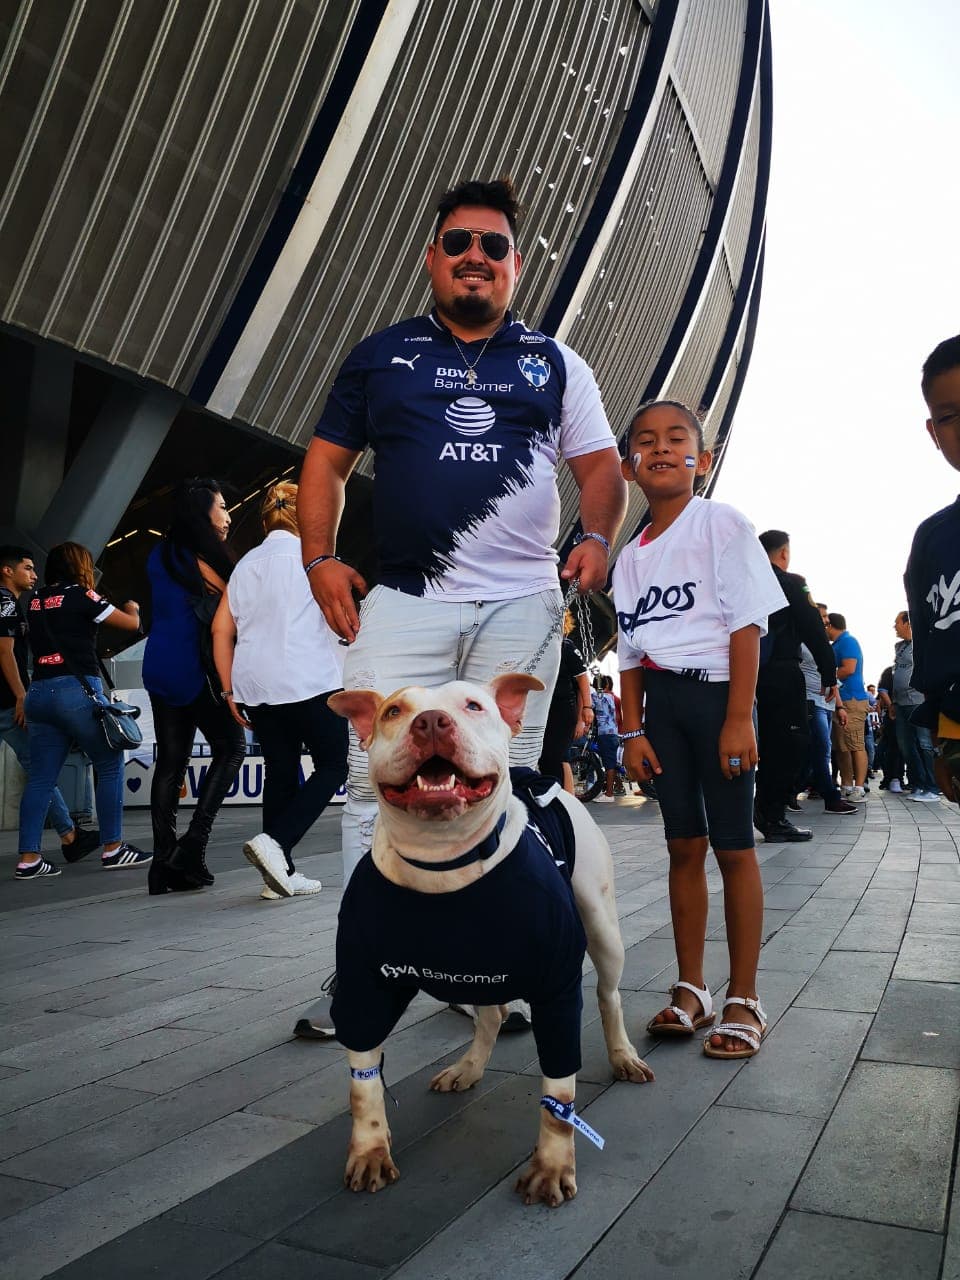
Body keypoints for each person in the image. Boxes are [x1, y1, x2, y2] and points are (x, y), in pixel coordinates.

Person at [294, 176, 626, 1038]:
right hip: (403, 603)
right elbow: (324, 463)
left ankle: (490, 970)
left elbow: (598, 467)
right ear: (431, 257)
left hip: (521, 604)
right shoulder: (380, 355)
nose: (476, 257)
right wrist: (320, 557)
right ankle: (360, 975)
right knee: (379, 785)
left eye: (495, 246)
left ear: (515, 266)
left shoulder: (555, 362)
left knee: (504, 781)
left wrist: (597, 537)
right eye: (459, 243)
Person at [612, 400, 786, 1059]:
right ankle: (693, 988)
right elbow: (628, 655)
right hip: (665, 712)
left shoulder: (722, 524)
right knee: (683, 847)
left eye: (676, 439)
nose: (659, 448)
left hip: (720, 703)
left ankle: (745, 996)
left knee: (735, 848)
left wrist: (740, 718)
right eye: (645, 442)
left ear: (703, 460)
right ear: (629, 467)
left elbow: (747, 626)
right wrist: (632, 733)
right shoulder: (630, 559)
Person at [211, 482, 348, 898]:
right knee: (333, 765)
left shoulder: (245, 565)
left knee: (281, 773)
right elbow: (341, 621)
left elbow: (221, 630)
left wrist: (229, 689)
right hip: (311, 679)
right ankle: (276, 844)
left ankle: (279, 876)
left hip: (257, 685)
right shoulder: (315, 561)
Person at [16, 542, 149, 879]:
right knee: (108, 764)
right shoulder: (81, 595)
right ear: (80, 565)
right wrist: (133, 607)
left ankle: (29, 858)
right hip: (76, 690)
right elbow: (128, 624)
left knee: (42, 779)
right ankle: (113, 848)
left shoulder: (32, 599)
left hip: (38, 691)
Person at [142, 478, 246, 893]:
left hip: (159, 662)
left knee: (170, 763)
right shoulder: (205, 558)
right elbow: (237, 606)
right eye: (222, 506)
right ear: (204, 513)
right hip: (194, 666)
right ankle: (193, 844)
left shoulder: (158, 553)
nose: (227, 515)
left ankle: (163, 862)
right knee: (232, 747)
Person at [1, 546, 101, 864]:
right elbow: (4, 652)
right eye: (27, 568)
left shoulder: (20, 605)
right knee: (40, 770)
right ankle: (64, 838)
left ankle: (68, 834)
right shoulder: (5, 602)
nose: (33, 575)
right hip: (6, 700)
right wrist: (20, 695)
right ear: (7, 570)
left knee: (38, 769)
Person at [753, 530, 840, 839]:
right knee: (789, 744)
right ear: (784, 554)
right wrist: (829, 672)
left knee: (756, 745)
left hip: (744, 675)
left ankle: (756, 809)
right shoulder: (791, 582)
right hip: (781, 674)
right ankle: (772, 815)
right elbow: (812, 626)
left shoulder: (743, 581)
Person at [905, 334, 960, 804]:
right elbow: (931, 649)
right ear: (933, 432)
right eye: (948, 416)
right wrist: (944, 742)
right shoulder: (933, 539)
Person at [537, 609, 592, 792]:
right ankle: (562, 798)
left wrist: (586, 710)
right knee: (550, 757)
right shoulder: (536, 648)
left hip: (563, 709)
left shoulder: (565, 646)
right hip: (542, 708)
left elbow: (582, 678)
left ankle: (560, 799)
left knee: (554, 757)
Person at [890, 611, 938, 801]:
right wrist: (893, 701)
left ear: (907, 623)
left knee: (925, 744)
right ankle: (918, 784)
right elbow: (896, 674)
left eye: (897, 623)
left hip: (918, 701)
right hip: (901, 703)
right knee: (906, 746)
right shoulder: (899, 647)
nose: (894, 626)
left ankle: (932, 787)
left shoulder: (924, 643)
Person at [824, 613, 871, 802]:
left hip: (852, 700)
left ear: (831, 626)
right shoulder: (837, 645)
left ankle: (859, 787)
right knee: (842, 746)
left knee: (856, 744)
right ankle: (846, 785)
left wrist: (826, 675)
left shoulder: (848, 641)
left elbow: (849, 668)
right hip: (839, 701)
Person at [591, 676, 621, 802]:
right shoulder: (611, 697)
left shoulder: (596, 696)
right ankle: (616, 786)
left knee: (609, 764)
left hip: (604, 733)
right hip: (613, 732)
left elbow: (588, 706)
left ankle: (609, 794)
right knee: (612, 763)